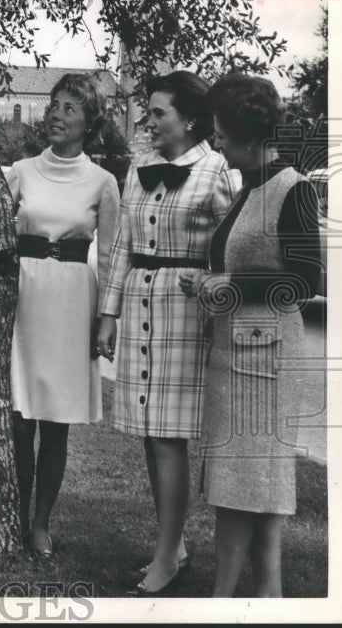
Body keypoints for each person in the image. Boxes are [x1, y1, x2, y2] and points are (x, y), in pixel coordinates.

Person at [95, 70, 240, 595]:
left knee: (168, 435)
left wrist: (206, 282)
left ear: (189, 120)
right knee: (149, 434)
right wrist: (107, 314)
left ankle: (166, 558)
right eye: (148, 112)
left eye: (158, 113)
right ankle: (171, 544)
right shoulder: (138, 168)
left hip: (185, 314)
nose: (147, 121)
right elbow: (121, 248)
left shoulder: (218, 171)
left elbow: (235, 247)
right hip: (138, 305)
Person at [179, 74, 322, 597]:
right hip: (239, 360)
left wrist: (232, 281)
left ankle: (222, 599)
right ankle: (269, 595)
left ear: (243, 132)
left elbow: (306, 279)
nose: (215, 141)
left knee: (243, 487)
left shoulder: (294, 188)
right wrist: (209, 283)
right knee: (251, 489)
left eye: (219, 131)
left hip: (264, 366)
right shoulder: (250, 188)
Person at [6, 73, 121, 557]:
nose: (56, 114)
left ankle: (40, 523)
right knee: (19, 418)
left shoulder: (103, 182)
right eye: (54, 105)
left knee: (55, 422)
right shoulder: (20, 171)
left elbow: (113, 256)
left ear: (89, 122)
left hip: (73, 299)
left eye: (70, 108)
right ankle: (13, 515)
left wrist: (107, 317)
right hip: (23, 297)